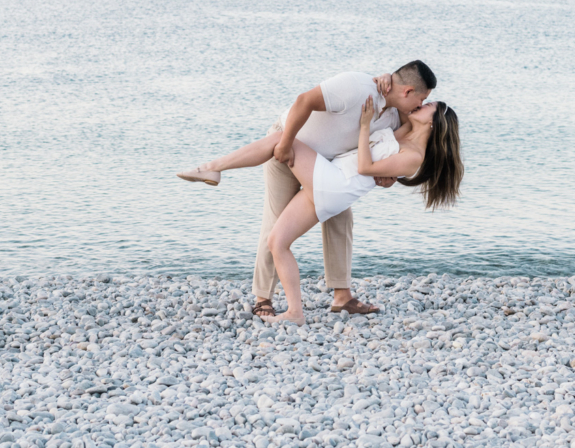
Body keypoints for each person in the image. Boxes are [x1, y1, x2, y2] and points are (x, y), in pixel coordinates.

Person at [178, 61, 438, 317]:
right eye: (422, 98)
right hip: (289, 146)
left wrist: (390, 176)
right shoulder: (357, 87)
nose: (421, 104)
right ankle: (263, 298)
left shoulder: (395, 117)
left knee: (341, 218)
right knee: (277, 219)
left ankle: (342, 296)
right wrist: (285, 143)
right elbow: (304, 101)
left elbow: (401, 148)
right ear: (407, 91)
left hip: (326, 167)